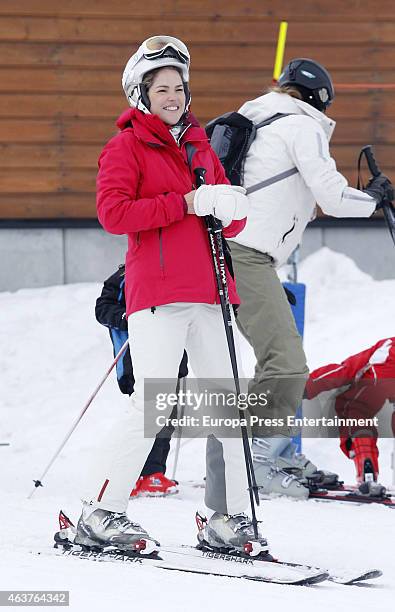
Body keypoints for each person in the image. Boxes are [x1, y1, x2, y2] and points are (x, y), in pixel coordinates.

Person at [75, 35, 265, 556]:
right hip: (157, 295)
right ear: (141, 93)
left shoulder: (200, 147)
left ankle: (226, 519)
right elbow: (114, 214)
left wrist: (230, 206)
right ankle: (99, 509)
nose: (174, 96)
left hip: (211, 294)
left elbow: (234, 219)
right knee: (153, 404)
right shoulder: (126, 147)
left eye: (179, 87)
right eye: (162, 88)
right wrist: (185, 201)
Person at [226, 58, 393, 497]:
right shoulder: (302, 127)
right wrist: (373, 199)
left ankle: (271, 452)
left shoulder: (259, 117)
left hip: (238, 252)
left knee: (276, 361)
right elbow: (333, 197)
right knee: (287, 362)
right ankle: (259, 459)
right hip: (245, 255)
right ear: (320, 98)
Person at [95, 263, 188, 498]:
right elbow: (103, 308)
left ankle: (153, 473)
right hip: (137, 356)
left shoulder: (176, 271)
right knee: (148, 414)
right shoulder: (126, 274)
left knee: (168, 415)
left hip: (172, 355)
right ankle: (131, 474)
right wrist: (131, 317)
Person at [305, 337, 395, 495]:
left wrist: (307, 385)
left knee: (355, 411)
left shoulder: (385, 348)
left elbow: (343, 370)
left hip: (385, 369)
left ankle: (367, 476)